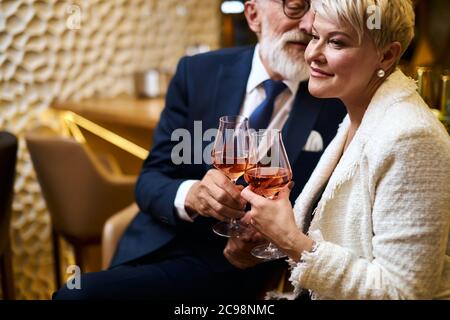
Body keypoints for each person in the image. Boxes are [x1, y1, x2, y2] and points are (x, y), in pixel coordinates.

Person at [53, 0, 346, 300]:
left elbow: (333, 218)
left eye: (317, 9)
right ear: (253, 15)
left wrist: (273, 239)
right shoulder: (197, 72)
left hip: (237, 270)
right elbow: (151, 178)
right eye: (295, 7)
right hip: (160, 244)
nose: (309, 24)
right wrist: (192, 195)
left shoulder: (338, 98)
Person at [240, 0, 450, 300]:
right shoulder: (356, 115)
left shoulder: (411, 137)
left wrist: (290, 239)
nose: (312, 54)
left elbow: (405, 292)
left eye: (336, 42)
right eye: (315, 36)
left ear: (387, 55)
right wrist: (274, 231)